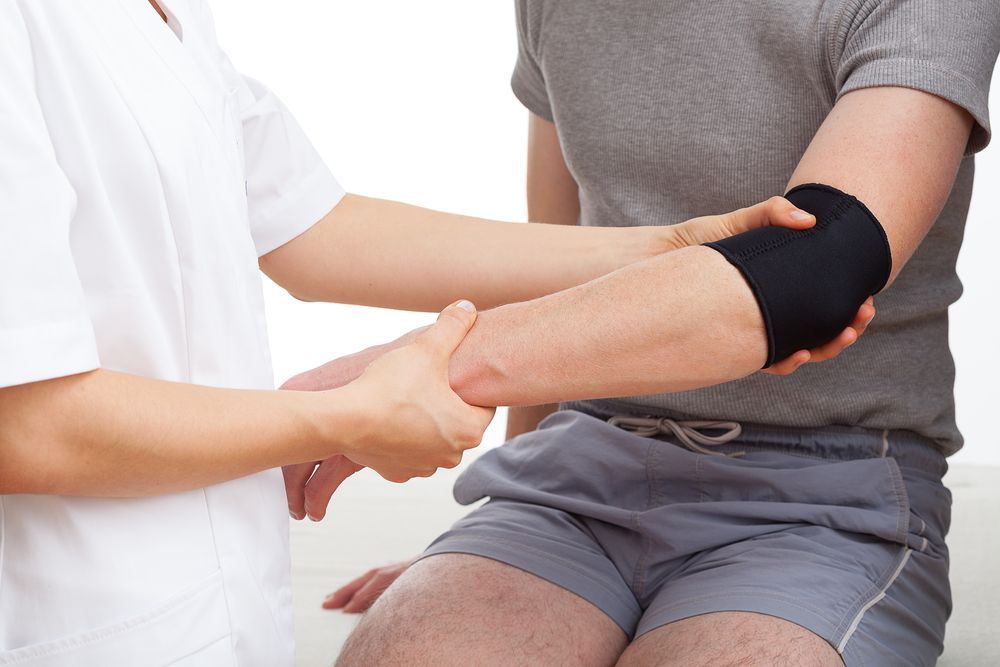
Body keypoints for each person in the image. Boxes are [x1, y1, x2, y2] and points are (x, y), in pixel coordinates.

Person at [0, 1, 865, 665]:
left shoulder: (168, 18)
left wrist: (665, 248)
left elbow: (316, 229)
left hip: (209, 608)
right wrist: (345, 416)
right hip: (70, 615)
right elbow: (24, 426)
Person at [312, 1, 1000, 666]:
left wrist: (420, 372)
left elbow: (816, 272)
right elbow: (552, 275)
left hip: (823, 490)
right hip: (580, 467)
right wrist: (494, 542)